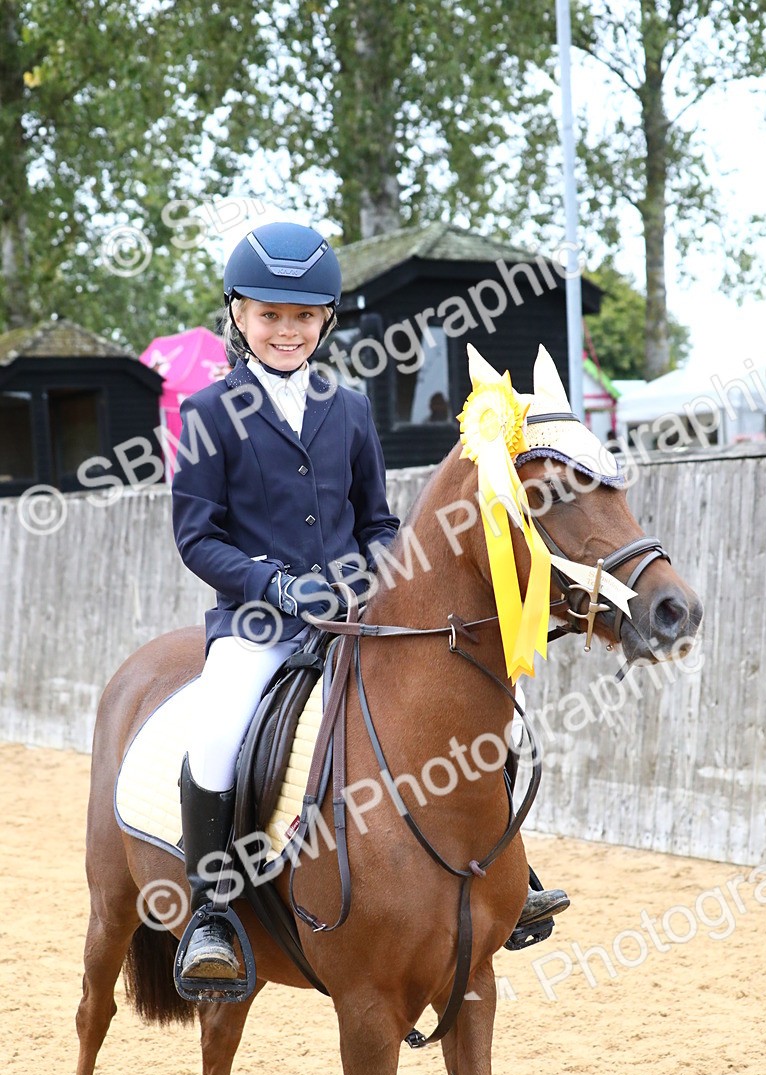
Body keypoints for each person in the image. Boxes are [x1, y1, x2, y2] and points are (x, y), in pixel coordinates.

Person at [171, 221, 567, 986]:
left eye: (302, 317)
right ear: (238, 317)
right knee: (218, 734)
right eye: (269, 315)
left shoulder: (348, 409)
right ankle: (211, 912)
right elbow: (197, 538)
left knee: (470, 713)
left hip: (357, 618)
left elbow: (378, 520)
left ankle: (504, 877)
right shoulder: (207, 416)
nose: (286, 331)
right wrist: (275, 584)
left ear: (324, 322)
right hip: (260, 625)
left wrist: (387, 572)